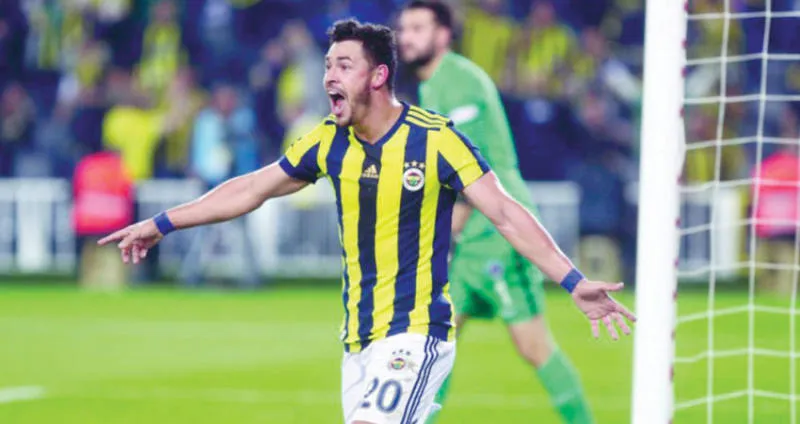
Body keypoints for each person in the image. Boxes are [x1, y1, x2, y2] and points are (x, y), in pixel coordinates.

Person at [99, 19, 635, 424]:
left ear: (378, 76)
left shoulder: (435, 139)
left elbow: (505, 212)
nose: (329, 76)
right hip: (358, 342)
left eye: (343, 66)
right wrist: (161, 223)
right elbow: (252, 188)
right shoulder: (328, 141)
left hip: (416, 334)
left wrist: (573, 280)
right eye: (328, 65)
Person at [397, 2, 595, 423]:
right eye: (403, 28)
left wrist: (441, 229)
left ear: (443, 34)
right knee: (435, 341)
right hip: (470, 240)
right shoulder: (433, 86)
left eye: (417, 28)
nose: (405, 37)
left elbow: (473, 171)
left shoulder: (460, 83)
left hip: (498, 235)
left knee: (533, 346)